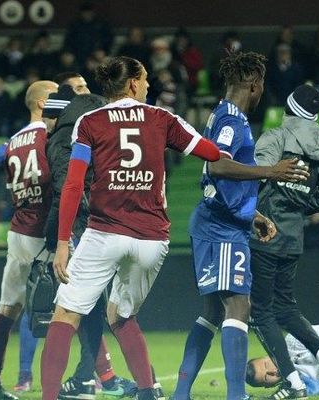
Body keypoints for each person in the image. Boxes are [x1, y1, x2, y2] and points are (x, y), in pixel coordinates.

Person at [40, 56, 221, 400]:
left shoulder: (89, 122)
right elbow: (210, 153)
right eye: (147, 79)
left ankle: (48, 397)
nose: (150, 85)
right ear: (134, 83)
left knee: (65, 314)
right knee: (121, 315)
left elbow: (74, 186)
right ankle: (147, 392)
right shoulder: (163, 119)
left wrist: (63, 242)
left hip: (105, 233)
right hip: (152, 239)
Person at [172, 52, 310, 400]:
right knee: (239, 307)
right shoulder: (233, 120)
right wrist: (270, 171)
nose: (262, 90)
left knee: (214, 311)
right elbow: (218, 167)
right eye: (262, 84)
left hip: (224, 223)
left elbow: (224, 180)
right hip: (220, 229)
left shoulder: (224, 115)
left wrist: (255, 216)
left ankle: (182, 393)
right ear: (254, 83)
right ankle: (236, 395)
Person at [42, 79, 139, 399]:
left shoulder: (60, 141)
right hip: (109, 226)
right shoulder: (96, 132)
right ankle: (105, 378)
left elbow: (64, 190)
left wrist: (59, 239)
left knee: (69, 311)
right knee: (100, 310)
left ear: (55, 117)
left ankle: (80, 382)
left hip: (79, 232)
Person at [248, 84, 319, 400]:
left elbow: (258, 175)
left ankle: (294, 383)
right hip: (293, 237)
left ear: (288, 109)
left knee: (260, 313)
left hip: (265, 233)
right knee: (286, 308)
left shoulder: (276, 137)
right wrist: (300, 206)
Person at [0, 80, 58, 400]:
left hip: (18, 233)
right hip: (45, 234)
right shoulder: (51, 135)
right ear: (42, 104)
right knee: (73, 309)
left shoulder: (13, 141)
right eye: (56, 99)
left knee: (7, 310)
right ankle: (87, 378)